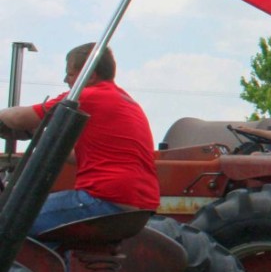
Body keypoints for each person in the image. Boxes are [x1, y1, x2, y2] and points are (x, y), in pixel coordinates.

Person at [0, 43, 159, 236]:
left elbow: (18, 118)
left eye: (70, 74)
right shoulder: (124, 100)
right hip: (137, 206)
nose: (66, 79)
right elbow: (79, 157)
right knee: (56, 236)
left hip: (104, 199)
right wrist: (39, 134)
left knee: (11, 218)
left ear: (90, 76)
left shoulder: (87, 95)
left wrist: (3, 116)